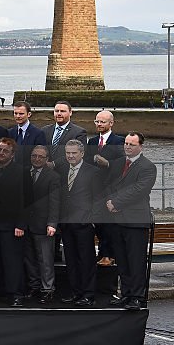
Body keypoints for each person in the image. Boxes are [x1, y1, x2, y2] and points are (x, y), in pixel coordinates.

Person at [102, 132, 157, 310]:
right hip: (117, 220)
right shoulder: (118, 164)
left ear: (141, 146)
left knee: (136, 261)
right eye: (126, 143)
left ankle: (137, 296)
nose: (127, 147)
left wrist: (116, 202)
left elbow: (139, 190)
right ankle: (125, 294)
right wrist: (109, 202)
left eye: (132, 144)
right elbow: (108, 184)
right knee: (122, 260)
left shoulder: (148, 166)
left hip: (135, 221)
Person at [57, 140, 101, 306]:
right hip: (66, 224)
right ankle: (76, 293)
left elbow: (98, 198)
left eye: (74, 153)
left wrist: (92, 221)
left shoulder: (93, 172)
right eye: (68, 153)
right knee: (71, 260)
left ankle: (88, 295)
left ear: (82, 153)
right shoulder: (61, 170)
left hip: (84, 224)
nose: (70, 156)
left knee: (86, 260)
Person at [0, 138, 27, 307]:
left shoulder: (21, 172)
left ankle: (16, 293)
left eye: (5, 151)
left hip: (12, 226)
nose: (1, 153)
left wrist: (21, 224)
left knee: (12, 261)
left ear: (12, 154)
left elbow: (26, 201)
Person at [85, 110, 124, 267]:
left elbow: (123, 164)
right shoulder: (92, 142)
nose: (99, 124)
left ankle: (109, 255)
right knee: (98, 223)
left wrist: (107, 164)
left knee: (110, 224)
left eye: (102, 122)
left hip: (111, 190)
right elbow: (86, 161)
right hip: (95, 190)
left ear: (111, 123)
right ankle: (102, 253)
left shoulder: (119, 141)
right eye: (97, 121)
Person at [24, 145, 61, 303]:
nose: (37, 159)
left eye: (40, 157)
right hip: (25, 225)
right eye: (34, 156)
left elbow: (55, 202)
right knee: (29, 258)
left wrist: (52, 223)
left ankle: (47, 289)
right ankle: (34, 286)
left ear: (47, 159)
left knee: (45, 259)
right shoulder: (25, 173)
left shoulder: (53, 177)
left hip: (44, 224)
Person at [8, 101, 47, 166]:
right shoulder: (10, 132)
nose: (18, 116)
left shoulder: (38, 134)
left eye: (21, 114)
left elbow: (41, 156)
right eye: (15, 113)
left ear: (29, 114)